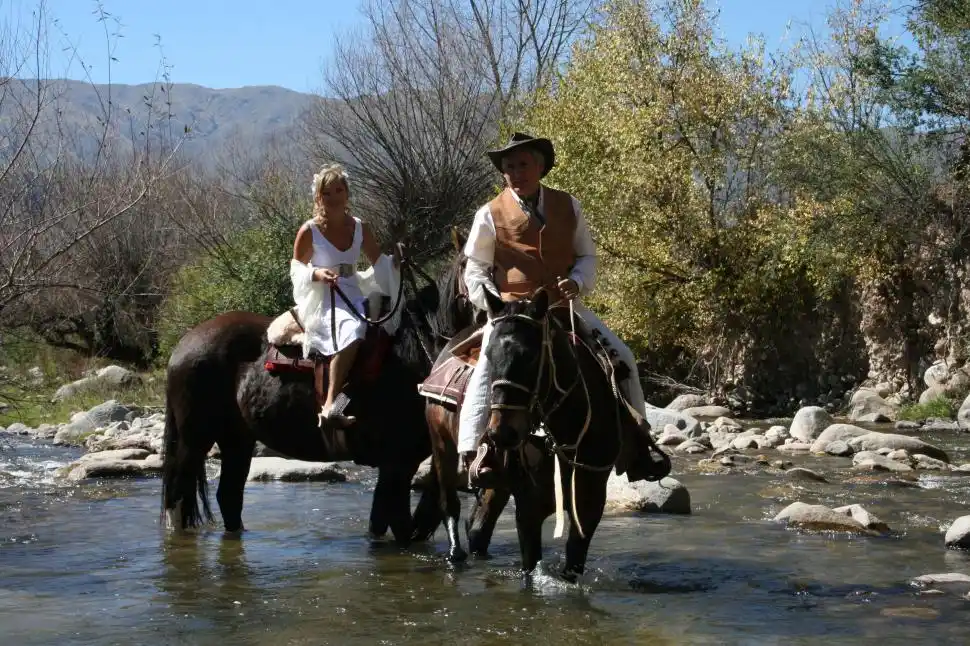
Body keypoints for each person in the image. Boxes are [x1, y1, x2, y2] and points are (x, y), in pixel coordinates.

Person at [457, 132, 649, 486]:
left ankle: (640, 445)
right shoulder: (489, 214)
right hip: (512, 314)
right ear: (503, 173)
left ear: (540, 167)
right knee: (487, 369)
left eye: (523, 164)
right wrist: (493, 304)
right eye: (509, 166)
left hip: (562, 307)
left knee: (623, 358)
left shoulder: (569, 206)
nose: (517, 172)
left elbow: (587, 256)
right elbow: (475, 269)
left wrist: (576, 281)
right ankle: (474, 451)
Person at [291, 163, 398, 428]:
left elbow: (378, 262)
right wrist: (316, 274)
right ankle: (329, 405)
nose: (334, 197)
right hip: (325, 295)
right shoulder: (309, 230)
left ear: (347, 194)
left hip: (352, 289)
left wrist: (396, 262)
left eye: (339, 190)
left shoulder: (361, 227)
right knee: (354, 329)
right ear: (319, 197)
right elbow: (296, 269)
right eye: (327, 193)